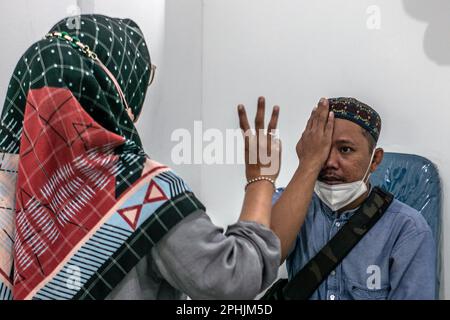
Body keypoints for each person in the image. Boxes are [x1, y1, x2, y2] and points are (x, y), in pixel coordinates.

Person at [0, 14, 281, 300]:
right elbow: (230, 280)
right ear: (118, 92)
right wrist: (261, 179)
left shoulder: (8, 197)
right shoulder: (144, 195)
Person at [270, 97, 436, 300]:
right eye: (322, 150)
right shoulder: (290, 206)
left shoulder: (407, 229)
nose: (329, 162)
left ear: (375, 160)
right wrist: (307, 164)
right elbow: (260, 260)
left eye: (345, 150)